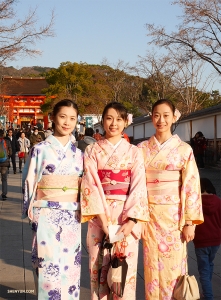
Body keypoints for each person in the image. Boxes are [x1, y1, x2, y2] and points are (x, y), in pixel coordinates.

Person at [81, 102, 149, 300]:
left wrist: (132, 221)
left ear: (125, 122)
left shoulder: (134, 152)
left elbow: (138, 186)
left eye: (119, 119)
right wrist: (103, 221)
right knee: (98, 270)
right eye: (109, 118)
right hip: (99, 217)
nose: (114, 123)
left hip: (125, 218)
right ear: (102, 121)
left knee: (124, 274)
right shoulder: (92, 150)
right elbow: (90, 185)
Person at [137, 99, 204, 300]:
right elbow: (136, 185)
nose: (161, 120)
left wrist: (190, 222)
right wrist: (136, 217)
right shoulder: (141, 149)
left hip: (174, 216)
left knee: (173, 267)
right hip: (148, 215)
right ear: (151, 117)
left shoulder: (184, 149)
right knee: (150, 267)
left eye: (166, 115)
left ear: (174, 117)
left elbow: (192, 186)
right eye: (156, 115)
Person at [22, 99, 83, 299]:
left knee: (70, 267)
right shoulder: (39, 149)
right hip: (46, 213)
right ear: (52, 118)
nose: (67, 122)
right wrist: (31, 209)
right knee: (47, 265)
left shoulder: (80, 154)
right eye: (63, 116)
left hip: (72, 213)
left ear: (77, 121)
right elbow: (29, 180)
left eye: (72, 118)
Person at [193, 178, 221, 300]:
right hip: (216, 241)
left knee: (203, 270)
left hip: (201, 241)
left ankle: (208, 296)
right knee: (209, 264)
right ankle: (207, 292)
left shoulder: (196, 203)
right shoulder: (218, 201)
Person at [0, 129, 12, 200]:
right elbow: (10, 152)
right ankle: (4, 194)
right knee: (4, 179)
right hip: (5, 163)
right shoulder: (7, 141)